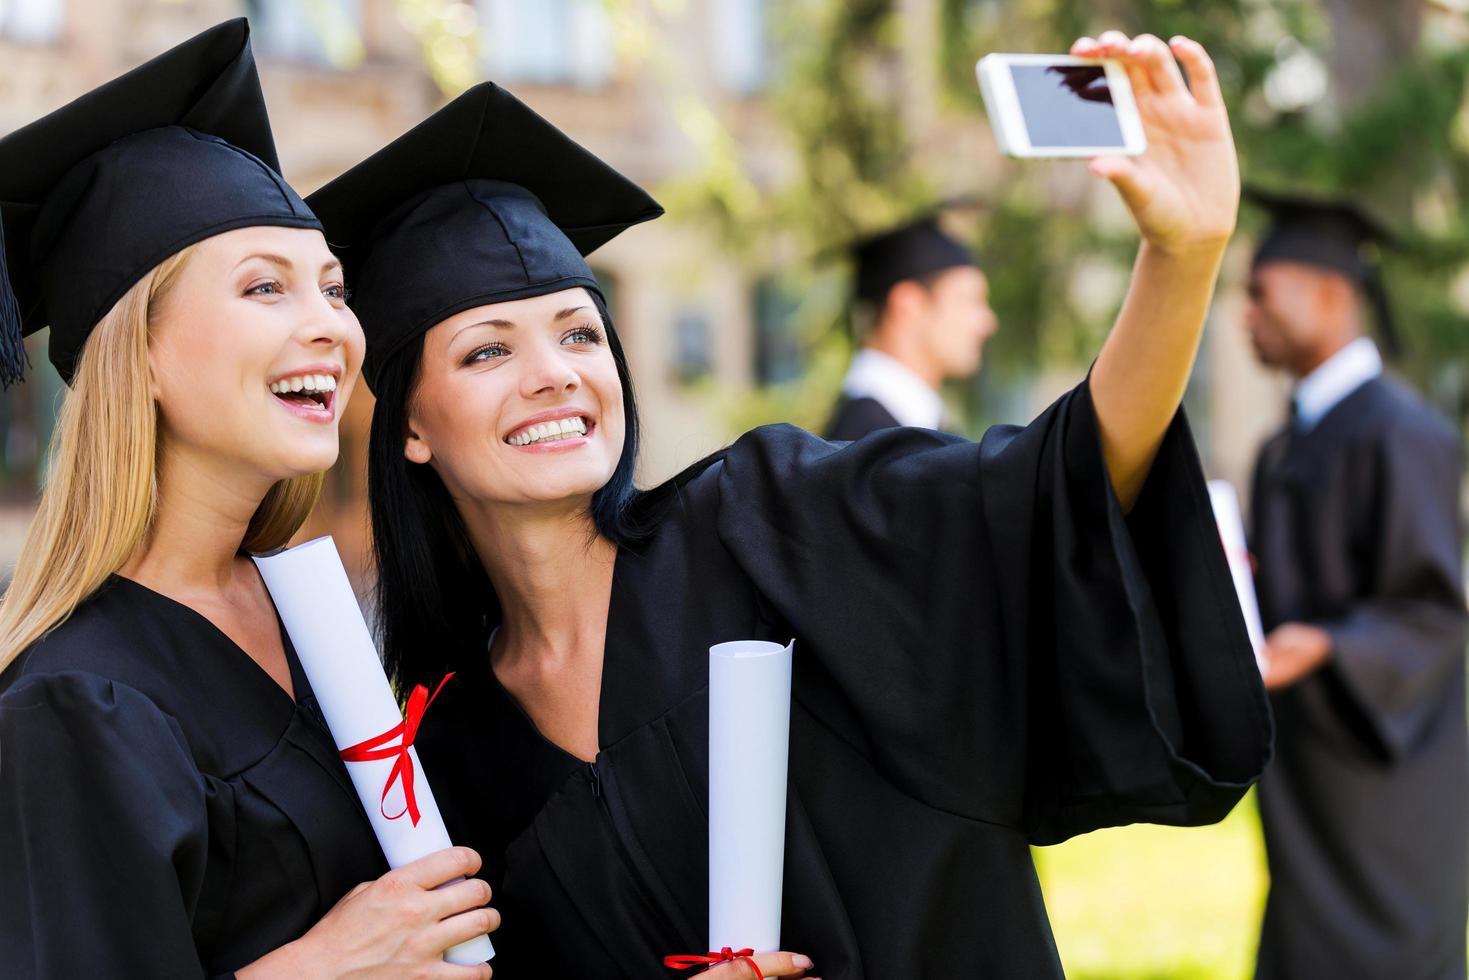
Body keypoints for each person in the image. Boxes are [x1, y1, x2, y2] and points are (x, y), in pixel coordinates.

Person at [309, 30, 1271, 979]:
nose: (554, 375)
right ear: (409, 429)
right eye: (487, 350)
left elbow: (1052, 487)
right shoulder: (451, 757)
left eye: (579, 333)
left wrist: (1179, 260)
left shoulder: (768, 525)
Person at [0, 21, 496, 978]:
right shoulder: (75, 703)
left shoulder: (306, 614)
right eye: (265, 289)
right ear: (138, 351)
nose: (329, 329)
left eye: (334, 288)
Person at [1244, 191, 1469, 979]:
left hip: (1386, 794)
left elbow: (1435, 612)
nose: (1244, 316)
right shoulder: (1281, 447)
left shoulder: (1403, 434)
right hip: (1306, 788)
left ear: (1332, 295)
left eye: (1259, 293)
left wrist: (1330, 645)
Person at [823, 215, 998, 440]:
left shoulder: (908, 430)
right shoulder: (866, 444)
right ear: (908, 305)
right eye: (969, 300)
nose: (988, 322)